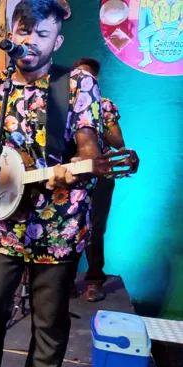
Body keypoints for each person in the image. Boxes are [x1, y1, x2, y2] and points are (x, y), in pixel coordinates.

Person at [0, 1, 104, 367]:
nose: (29, 42)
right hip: (1, 224)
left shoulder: (75, 86)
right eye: (23, 32)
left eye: (41, 35)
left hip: (58, 228)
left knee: (49, 319)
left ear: (57, 41)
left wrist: (70, 173)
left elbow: (91, 155)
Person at [73, 57, 126, 302]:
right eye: (77, 74)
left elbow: (118, 143)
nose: (81, 79)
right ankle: (64, 280)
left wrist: (98, 124)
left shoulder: (105, 105)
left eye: (87, 76)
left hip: (101, 175)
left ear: (96, 80)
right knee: (68, 228)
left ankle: (94, 280)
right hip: (73, 175)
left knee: (95, 228)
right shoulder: (66, 104)